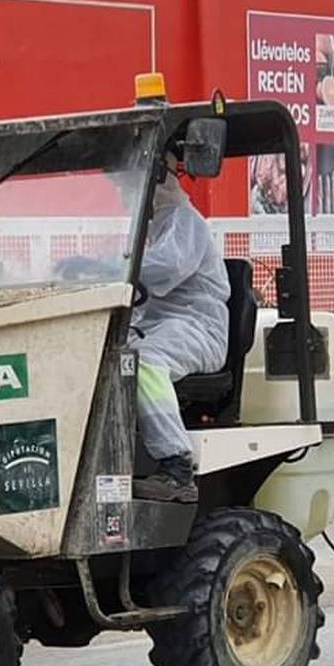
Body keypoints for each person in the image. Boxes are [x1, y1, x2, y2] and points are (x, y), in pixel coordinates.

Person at [130, 165, 230, 503]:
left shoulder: (185, 221)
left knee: (142, 363)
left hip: (196, 328)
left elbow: (166, 268)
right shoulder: (155, 228)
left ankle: (176, 467)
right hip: (162, 327)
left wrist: (111, 267)